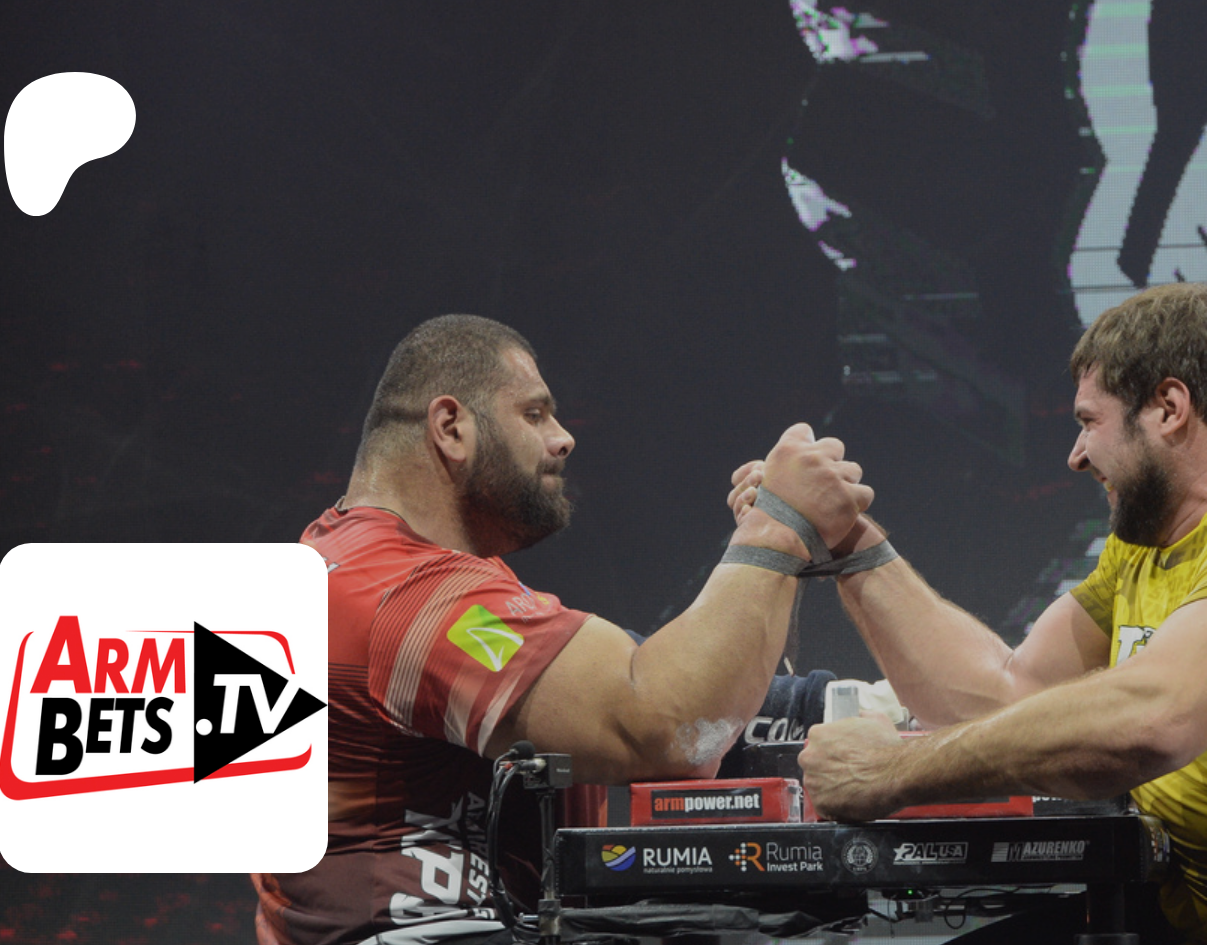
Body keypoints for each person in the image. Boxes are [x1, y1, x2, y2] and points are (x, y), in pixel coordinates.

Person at [736, 282, 1207, 944]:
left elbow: (1150, 721)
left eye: (1089, 422)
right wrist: (850, 545)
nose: (1076, 455)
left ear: (1168, 408)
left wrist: (894, 769)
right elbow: (1004, 698)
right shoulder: (1153, 547)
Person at [252, 314, 872, 945]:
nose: (564, 438)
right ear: (451, 427)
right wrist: (774, 532)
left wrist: (821, 676)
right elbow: (664, 729)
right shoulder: (401, 592)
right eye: (534, 413)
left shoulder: (348, 562)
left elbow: (654, 683)